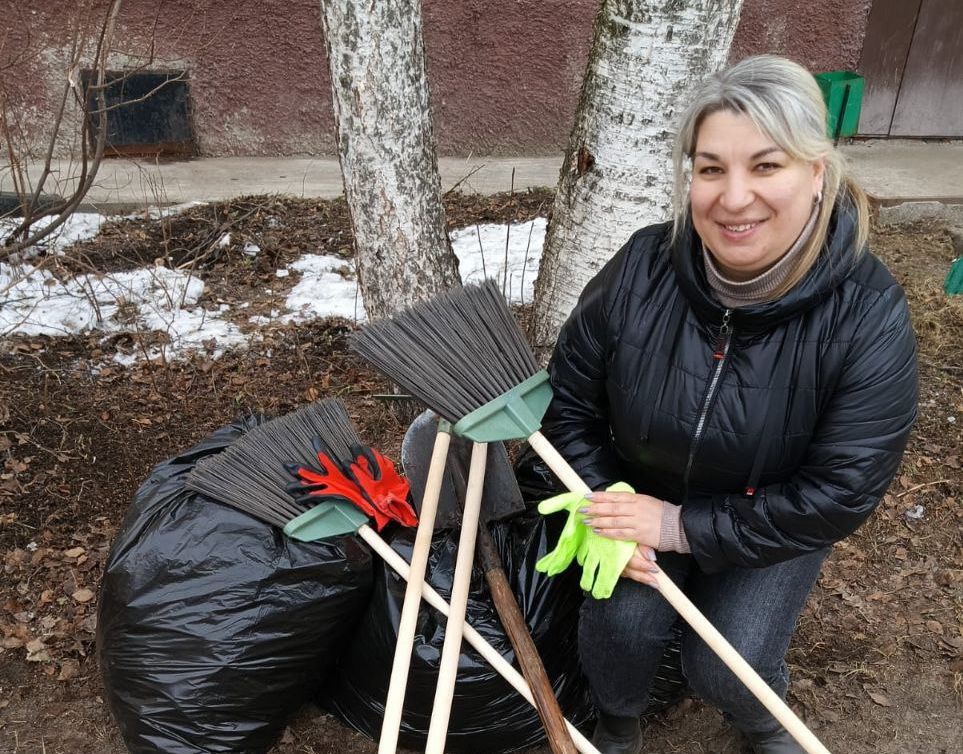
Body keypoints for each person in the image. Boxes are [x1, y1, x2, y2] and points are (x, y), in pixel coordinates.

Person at [540, 55, 918, 754]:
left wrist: (680, 527)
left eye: (765, 166)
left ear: (816, 173)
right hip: (636, 490)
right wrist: (607, 507)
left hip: (771, 511)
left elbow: (840, 491)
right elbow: (567, 405)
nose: (732, 197)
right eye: (710, 168)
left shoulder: (865, 312)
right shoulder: (641, 267)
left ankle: (759, 720)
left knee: (725, 662)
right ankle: (616, 722)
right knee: (619, 632)